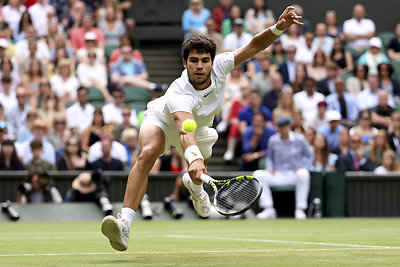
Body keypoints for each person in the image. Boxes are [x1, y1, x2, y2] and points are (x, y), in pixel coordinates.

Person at [101, 6, 303, 251]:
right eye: (194, 61)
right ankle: (124, 224)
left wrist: (279, 27)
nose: (199, 66)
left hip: (201, 129)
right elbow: (184, 130)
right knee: (147, 154)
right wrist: (193, 157)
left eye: (205, 60)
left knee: (197, 168)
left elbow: (254, 45)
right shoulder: (178, 91)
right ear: (185, 62)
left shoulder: (222, 65)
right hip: (165, 120)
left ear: (212, 61)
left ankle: (196, 188)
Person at [253, 117, 312, 220]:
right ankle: (268, 208)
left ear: (288, 127)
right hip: (277, 174)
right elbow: (270, 157)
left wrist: (302, 166)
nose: (281, 129)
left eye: (283, 127)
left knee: (304, 174)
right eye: (279, 127)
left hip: (294, 174)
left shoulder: (300, 139)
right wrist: (270, 167)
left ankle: (300, 209)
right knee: (257, 175)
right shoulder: (273, 140)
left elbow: (310, 156)